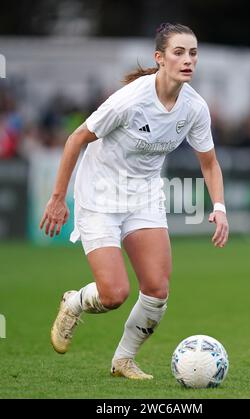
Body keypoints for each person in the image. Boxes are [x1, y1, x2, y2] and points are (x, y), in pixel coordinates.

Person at [40, 22, 229, 380]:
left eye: (193, 53)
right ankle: (74, 302)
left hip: (144, 195)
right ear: (160, 58)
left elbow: (210, 163)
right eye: (179, 52)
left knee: (157, 289)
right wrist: (57, 199)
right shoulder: (130, 100)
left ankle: (123, 360)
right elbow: (76, 139)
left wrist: (219, 208)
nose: (188, 60)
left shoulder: (194, 108)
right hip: (99, 195)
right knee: (114, 294)